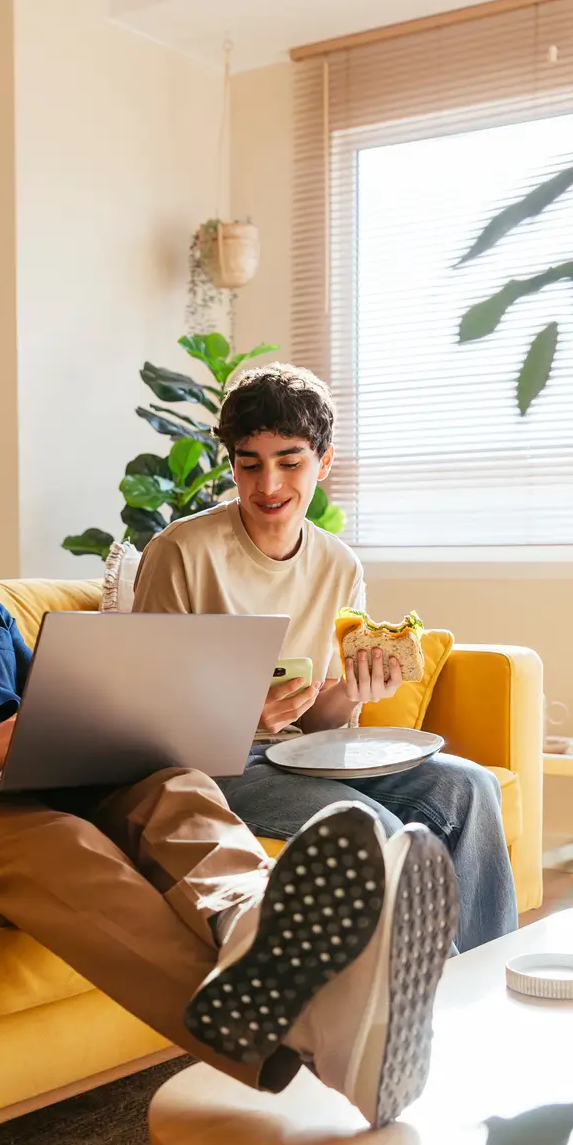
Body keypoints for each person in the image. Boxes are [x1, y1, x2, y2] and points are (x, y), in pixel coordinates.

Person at [0, 407, 459, 1128]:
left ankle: (250, 926)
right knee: (65, 845)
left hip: (29, 779)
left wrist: (123, 721)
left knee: (173, 788)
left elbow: (51, 695)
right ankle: (312, 1037)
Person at [131, 363, 518, 951]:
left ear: (324, 461)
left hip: (305, 755)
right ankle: (416, 1007)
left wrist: (355, 691)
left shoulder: (339, 565)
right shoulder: (181, 551)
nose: (268, 486)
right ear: (231, 463)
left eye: (290, 462)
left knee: (470, 788)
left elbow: (321, 723)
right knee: (382, 830)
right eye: (249, 464)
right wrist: (240, 718)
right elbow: (144, 716)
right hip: (213, 769)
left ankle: (483, 983)